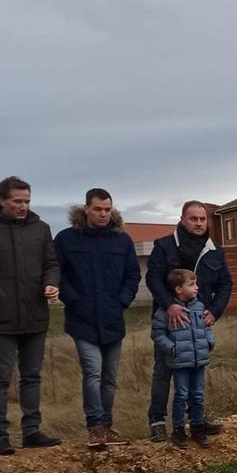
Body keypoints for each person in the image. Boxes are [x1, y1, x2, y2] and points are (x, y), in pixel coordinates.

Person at [0, 177, 61, 455]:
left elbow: (51, 263)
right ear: (2, 201)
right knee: (0, 378)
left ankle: (32, 431)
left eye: (27, 201)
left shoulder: (41, 228)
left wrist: (51, 282)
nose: (23, 206)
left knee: (32, 376)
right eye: (17, 201)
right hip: (1, 315)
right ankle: (0, 437)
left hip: (35, 314)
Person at [54, 189, 140, 448]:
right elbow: (57, 272)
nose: (104, 214)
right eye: (98, 209)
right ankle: (95, 427)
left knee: (110, 378)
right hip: (82, 320)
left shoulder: (121, 241)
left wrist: (122, 301)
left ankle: (107, 427)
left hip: (113, 319)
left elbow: (132, 275)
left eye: (107, 209)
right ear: (86, 209)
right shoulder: (66, 239)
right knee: (92, 372)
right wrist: (73, 299)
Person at [145, 202, 231, 442]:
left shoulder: (214, 250)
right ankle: (158, 422)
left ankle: (197, 421)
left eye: (203, 219)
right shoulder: (164, 246)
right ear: (182, 219)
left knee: (195, 377)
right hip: (169, 322)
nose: (199, 223)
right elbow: (152, 278)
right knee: (163, 372)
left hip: (198, 324)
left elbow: (226, 284)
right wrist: (169, 305)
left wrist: (214, 311)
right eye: (193, 219)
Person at [151, 269, 215, 451]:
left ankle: (197, 427)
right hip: (180, 362)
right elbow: (157, 333)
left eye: (196, 284)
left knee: (197, 395)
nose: (197, 288)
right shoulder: (166, 311)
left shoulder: (199, 306)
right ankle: (178, 429)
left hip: (199, 360)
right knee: (181, 394)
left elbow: (206, 326)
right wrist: (172, 348)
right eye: (192, 284)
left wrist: (209, 341)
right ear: (178, 289)